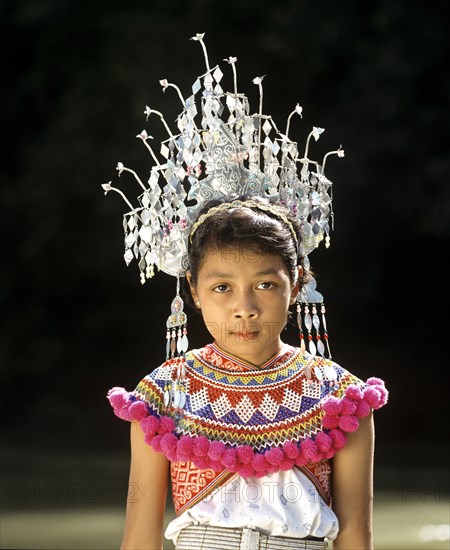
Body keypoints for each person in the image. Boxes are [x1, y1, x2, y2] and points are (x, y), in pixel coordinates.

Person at [108, 196, 388, 550]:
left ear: (297, 284)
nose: (245, 309)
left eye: (265, 285)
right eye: (222, 287)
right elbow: (139, 540)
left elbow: (356, 539)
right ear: (194, 290)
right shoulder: (162, 395)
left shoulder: (341, 399)